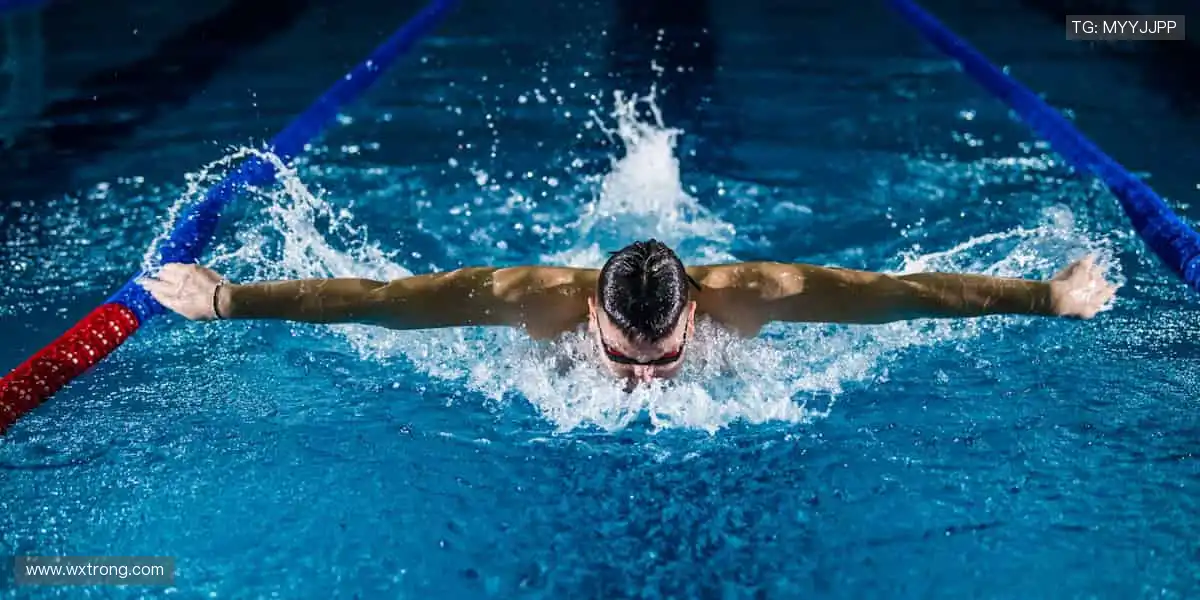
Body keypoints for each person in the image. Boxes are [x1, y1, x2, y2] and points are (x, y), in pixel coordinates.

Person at [140, 239, 1117, 384]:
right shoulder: (532, 302)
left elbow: (908, 298)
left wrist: (1049, 296)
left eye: (659, 358)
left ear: (696, 308)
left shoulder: (759, 294)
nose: (641, 379)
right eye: (623, 354)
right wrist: (227, 299)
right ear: (593, 316)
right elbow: (383, 304)